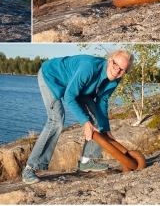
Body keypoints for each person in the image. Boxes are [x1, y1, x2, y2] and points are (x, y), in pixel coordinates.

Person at [22, 48, 134, 184]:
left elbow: (102, 101)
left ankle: (86, 161)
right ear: (109, 60)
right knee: (56, 120)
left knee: (98, 119)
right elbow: (69, 96)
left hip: (78, 87)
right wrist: (85, 123)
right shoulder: (90, 67)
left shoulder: (115, 79)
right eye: (115, 65)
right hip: (52, 77)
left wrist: (105, 128)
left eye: (122, 70)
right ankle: (30, 167)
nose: (117, 71)